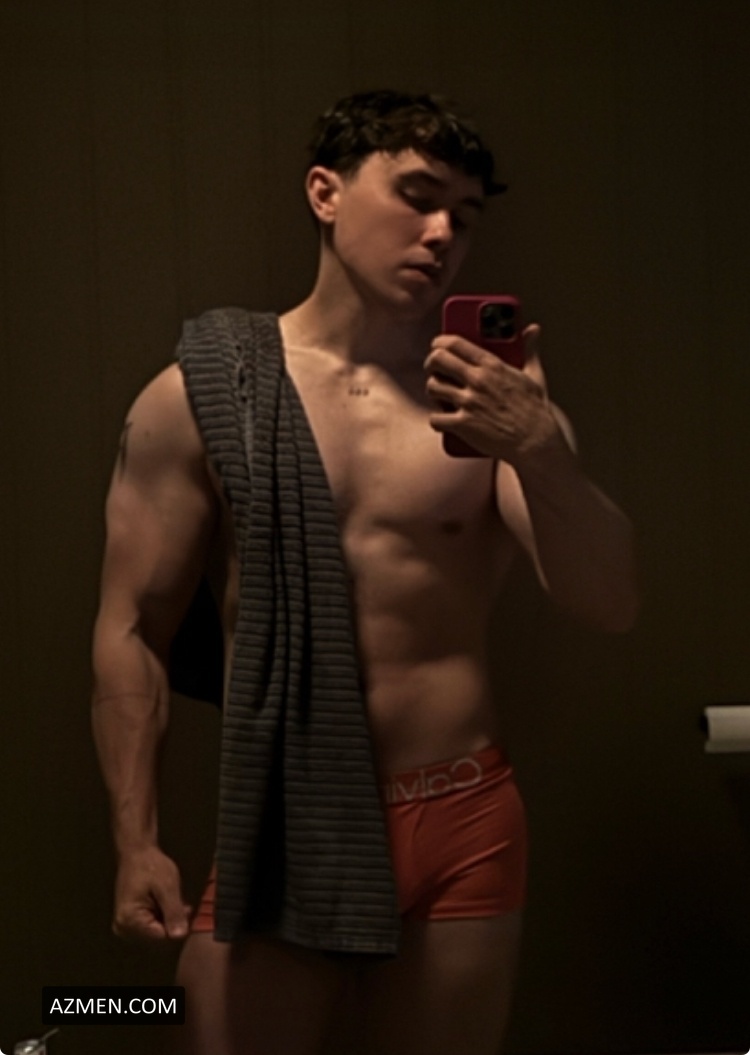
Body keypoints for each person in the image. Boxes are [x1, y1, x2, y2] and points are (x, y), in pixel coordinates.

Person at [91, 90, 638, 1055]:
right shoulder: (202, 395)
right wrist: (135, 840)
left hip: (463, 812)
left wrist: (541, 452)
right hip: (288, 818)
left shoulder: (489, 409)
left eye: (464, 216)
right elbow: (131, 626)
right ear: (325, 192)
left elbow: (610, 604)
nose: (443, 234)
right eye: (418, 197)